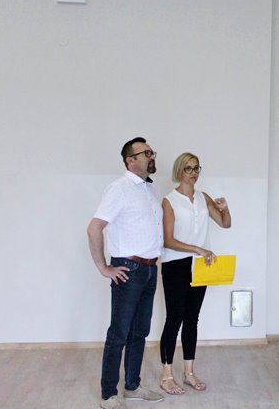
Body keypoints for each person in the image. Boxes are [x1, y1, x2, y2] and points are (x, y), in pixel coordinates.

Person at [87, 137, 165, 409]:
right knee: (119, 333)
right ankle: (109, 393)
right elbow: (94, 228)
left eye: (152, 152)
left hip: (150, 269)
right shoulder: (119, 189)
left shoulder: (147, 190)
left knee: (139, 332)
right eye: (146, 153)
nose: (152, 156)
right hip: (128, 270)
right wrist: (103, 267)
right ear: (130, 160)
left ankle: (132, 386)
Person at [158, 152, 231, 395]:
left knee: (192, 319)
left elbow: (225, 223)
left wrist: (225, 209)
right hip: (175, 264)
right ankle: (167, 375)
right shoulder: (169, 201)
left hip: (200, 266)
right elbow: (168, 240)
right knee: (174, 319)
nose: (194, 173)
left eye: (197, 168)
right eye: (189, 168)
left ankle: (189, 372)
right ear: (179, 171)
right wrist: (197, 248)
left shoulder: (203, 197)